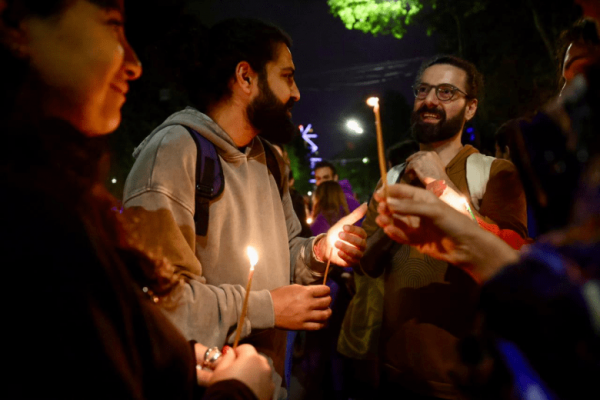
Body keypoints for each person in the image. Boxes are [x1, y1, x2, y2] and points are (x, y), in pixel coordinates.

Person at [0, 0, 274, 399]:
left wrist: (177, 357)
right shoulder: (28, 216)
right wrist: (240, 391)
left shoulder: (66, 193)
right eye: (113, 26)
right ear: (15, 25)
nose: (134, 64)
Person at [122, 18, 367, 398]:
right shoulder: (172, 154)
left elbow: (286, 256)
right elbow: (159, 305)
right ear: (245, 78)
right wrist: (267, 308)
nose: (297, 92)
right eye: (287, 76)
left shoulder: (270, 159)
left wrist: (319, 251)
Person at [356, 55, 528, 399]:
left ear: (470, 108)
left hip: (465, 381)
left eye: (447, 92)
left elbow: (512, 264)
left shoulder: (494, 172)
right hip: (395, 372)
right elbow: (369, 264)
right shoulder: (390, 178)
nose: (430, 100)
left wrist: (441, 185)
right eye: (423, 90)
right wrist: (390, 227)